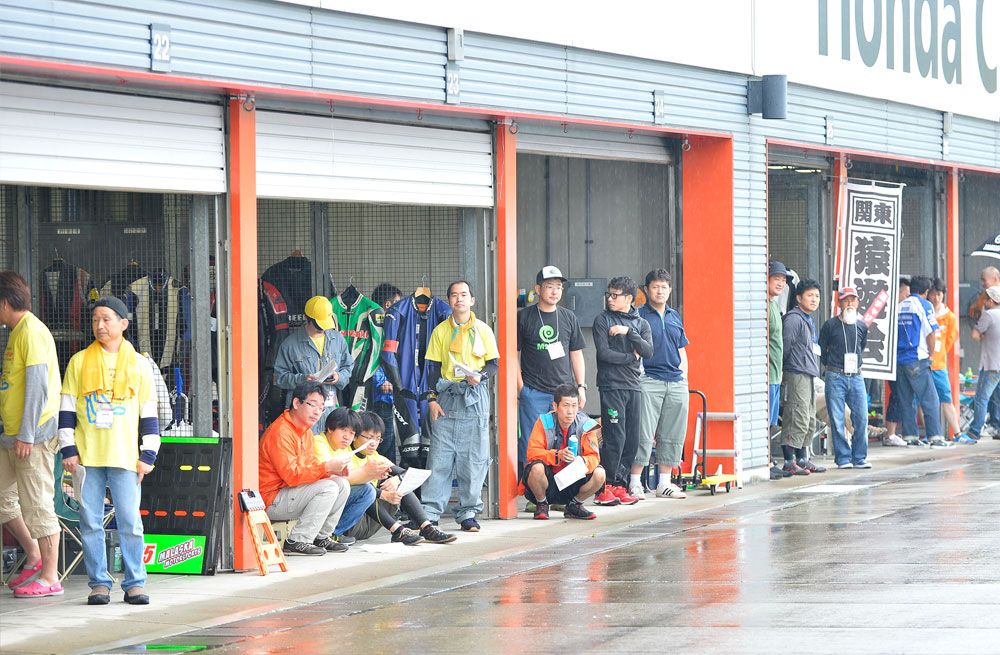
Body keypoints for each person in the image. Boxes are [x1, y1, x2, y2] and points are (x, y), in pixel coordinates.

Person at [59, 297, 160, 605]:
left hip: (125, 458)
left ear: (123, 324)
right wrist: (68, 449)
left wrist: (148, 454)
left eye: (106, 319)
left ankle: (135, 584)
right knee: (90, 522)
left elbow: (149, 413)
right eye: (95, 320)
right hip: (87, 457)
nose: (100, 325)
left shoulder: (140, 364)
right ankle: (99, 584)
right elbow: (67, 410)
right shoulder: (79, 362)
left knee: (130, 522)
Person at [0, 271, 64, 598]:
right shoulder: (18, 331)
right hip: (12, 436)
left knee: (38, 504)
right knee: (3, 498)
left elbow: (38, 387)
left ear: (5, 303)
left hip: (32, 437)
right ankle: (34, 555)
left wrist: (26, 434)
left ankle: (51, 577)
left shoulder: (31, 332)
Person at [421, 281, 500, 532]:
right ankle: (430, 513)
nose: (459, 299)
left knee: (473, 461)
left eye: (464, 295)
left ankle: (468, 514)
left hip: (474, 397)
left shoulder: (483, 330)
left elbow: (493, 364)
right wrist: (431, 399)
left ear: (472, 300)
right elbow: (433, 368)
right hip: (446, 396)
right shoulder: (440, 331)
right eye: (454, 295)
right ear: (449, 301)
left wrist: (480, 376)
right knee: (439, 460)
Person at [326, 411, 457, 545]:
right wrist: (383, 494)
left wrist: (398, 479)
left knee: (400, 484)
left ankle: (426, 528)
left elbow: (408, 473)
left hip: (368, 523)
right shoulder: (344, 455)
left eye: (378, 439)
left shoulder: (375, 457)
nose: (373, 443)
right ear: (355, 436)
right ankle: (398, 531)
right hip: (347, 524)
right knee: (367, 489)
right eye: (369, 438)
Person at [258, 383, 356, 557]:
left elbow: (309, 467)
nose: (317, 412)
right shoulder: (281, 431)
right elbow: (292, 476)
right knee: (329, 488)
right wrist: (326, 467)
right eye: (313, 405)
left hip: (290, 493)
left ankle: (321, 537)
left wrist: (331, 472)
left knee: (341, 484)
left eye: (321, 408)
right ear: (297, 403)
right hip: (271, 498)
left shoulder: (306, 433)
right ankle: (297, 541)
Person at [516, 266, 587, 476]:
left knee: (566, 442)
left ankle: (560, 488)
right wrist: (521, 388)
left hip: (564, 393)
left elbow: (576, 354)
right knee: (531, 444)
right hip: (533, 392)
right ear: (538, 289)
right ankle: (531, 488)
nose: (555, 291)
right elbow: (513, 355)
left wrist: (581, 387)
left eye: (558, 287)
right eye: (549, 286)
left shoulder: (568, 317)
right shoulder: (524, 317)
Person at [592, 276, 653, 506]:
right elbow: (604, 354)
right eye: (608, 294)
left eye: (615, 295)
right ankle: (604, 487)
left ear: (629, 298)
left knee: (632, 439)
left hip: (633, 386)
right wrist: (630, 358)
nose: (610, 299)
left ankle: (620, 484)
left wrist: (629, 332)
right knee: (614, 437)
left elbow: (648, 351)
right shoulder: (603, 319)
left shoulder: (641, 324)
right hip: (611, 385)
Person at [629, 269, 690, 499]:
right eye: (655, 287)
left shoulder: (674, 316)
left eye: (664, 287)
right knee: (643, 433)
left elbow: (681, 349)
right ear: (646, 290)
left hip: (676, 381)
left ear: (670, 290)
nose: (660, 291)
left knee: (673, 434)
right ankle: (635, 483)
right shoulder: (638, 316)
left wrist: (684, 378)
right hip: (649, 380)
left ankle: (665, 483)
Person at [519, 383, 604, 520]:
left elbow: (594, 457)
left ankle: (575, 505)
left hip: (573, 480)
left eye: (574, 405)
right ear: (555, 406)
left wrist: (582, 461)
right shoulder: (544, 421)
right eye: (566, 405)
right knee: (536, 468)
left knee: (600, 474)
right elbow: (532, 453)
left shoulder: (586, 425)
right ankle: (542, 504)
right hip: (549, 482)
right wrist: (557, 455)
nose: (570, 411)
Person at [273, 295, 353, 432]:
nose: (322, 329)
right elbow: (279, 378)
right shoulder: (290, 344)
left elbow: (348, 367)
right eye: (318, 324)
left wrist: (339, 377)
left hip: (330, 412)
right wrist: (303, 379)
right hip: (302, 414)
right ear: (306, 318)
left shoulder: (338, 340)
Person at [818, 287, 870, 469]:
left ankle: (860, 457)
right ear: (839, 303)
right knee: (837, 418)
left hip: (856, 376)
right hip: (835, 375)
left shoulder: (862, 326)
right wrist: (829, 365)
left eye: (853, 300)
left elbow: (861, 346)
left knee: (861, 418)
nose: (849, 304)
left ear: (857, 303)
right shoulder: (830, 325)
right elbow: (822, 348)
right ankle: (842, 458)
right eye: (846, 300)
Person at [896, 276, 950, 448]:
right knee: (930, 399)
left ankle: (910, 436)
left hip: (899, 361)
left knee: (906, 400)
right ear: (926, 292)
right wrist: (931, 356)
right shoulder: (924, 305)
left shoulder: (899, 306)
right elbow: (931, 332)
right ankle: (935, 437)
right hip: (917, 359)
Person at [779, 279, 826, 475]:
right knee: (796, 415)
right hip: (795, 374)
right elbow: (784, 347)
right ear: (799, 298)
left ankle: (802, 459)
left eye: (817, 296)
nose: (814, 300)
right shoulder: (793, 319)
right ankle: (789, 461)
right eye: (810, 296)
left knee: (808, 417)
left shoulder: (807, 319)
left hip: (808, 374)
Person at [928, 278, 968, 442]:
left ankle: (957, 433)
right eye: (933, 294)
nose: (936, 298)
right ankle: (931, 434)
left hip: (939, 365)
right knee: (924, 402)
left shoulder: (949, 316)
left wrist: (939, 353)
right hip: (924, 364)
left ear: (943, 295)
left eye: (939, 294)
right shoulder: (924, 311)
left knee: (946, 399)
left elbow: (951, 340)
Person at [370, 283, 403, 462]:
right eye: (398, 303)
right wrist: (383, 381)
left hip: (391, 397)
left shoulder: (393, 327)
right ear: (388, 305)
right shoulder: (375, 327)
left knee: (389, 446)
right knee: (384, 442)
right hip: (379, 398)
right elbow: (372, 358)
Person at [766, 262, 793, 479]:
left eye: (783, 280)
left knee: (772, 420)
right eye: (776, 278)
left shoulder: (774, 304)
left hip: (776, 373)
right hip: (766, 375)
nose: (781, 283)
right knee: (765, 420)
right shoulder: (764, 305)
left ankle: (769, 459)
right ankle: (766, 461)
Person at [970, 267, 1000, 437]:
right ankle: (997, 426)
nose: (982, 283)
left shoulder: (988, 314)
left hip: (990, 363)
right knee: (996, 397)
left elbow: (975, 334)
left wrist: (983, 336)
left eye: (984, 280)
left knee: (982, 397)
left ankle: (975, 430)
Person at [882, 277, 911, 447]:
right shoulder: (890, 311)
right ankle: (890, 434)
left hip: (895, 359)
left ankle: (891, 433)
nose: (906, 298)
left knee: (898, 395)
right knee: (897, 394)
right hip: (890, 359)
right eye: (905, 294)